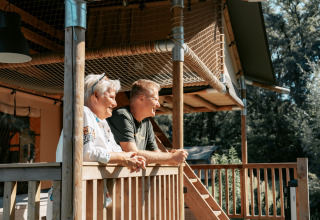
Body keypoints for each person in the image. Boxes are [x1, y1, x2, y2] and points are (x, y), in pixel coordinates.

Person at [55, 73, 146, 171]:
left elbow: (115, 151)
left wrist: (131, 158)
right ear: (96, 95)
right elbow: (87, 153)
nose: (115, 103)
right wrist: (123, 158)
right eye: (111, 97)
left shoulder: (102, 122)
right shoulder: (83, 112)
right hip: (77, 185)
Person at [107, 79, 188, 165]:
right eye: (155, 99)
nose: (158, 104)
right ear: (142, 98)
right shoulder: (122, 115)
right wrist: (171, 157)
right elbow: (132, 154)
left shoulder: (146, 122)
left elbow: (155, 153)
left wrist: (171, 157)